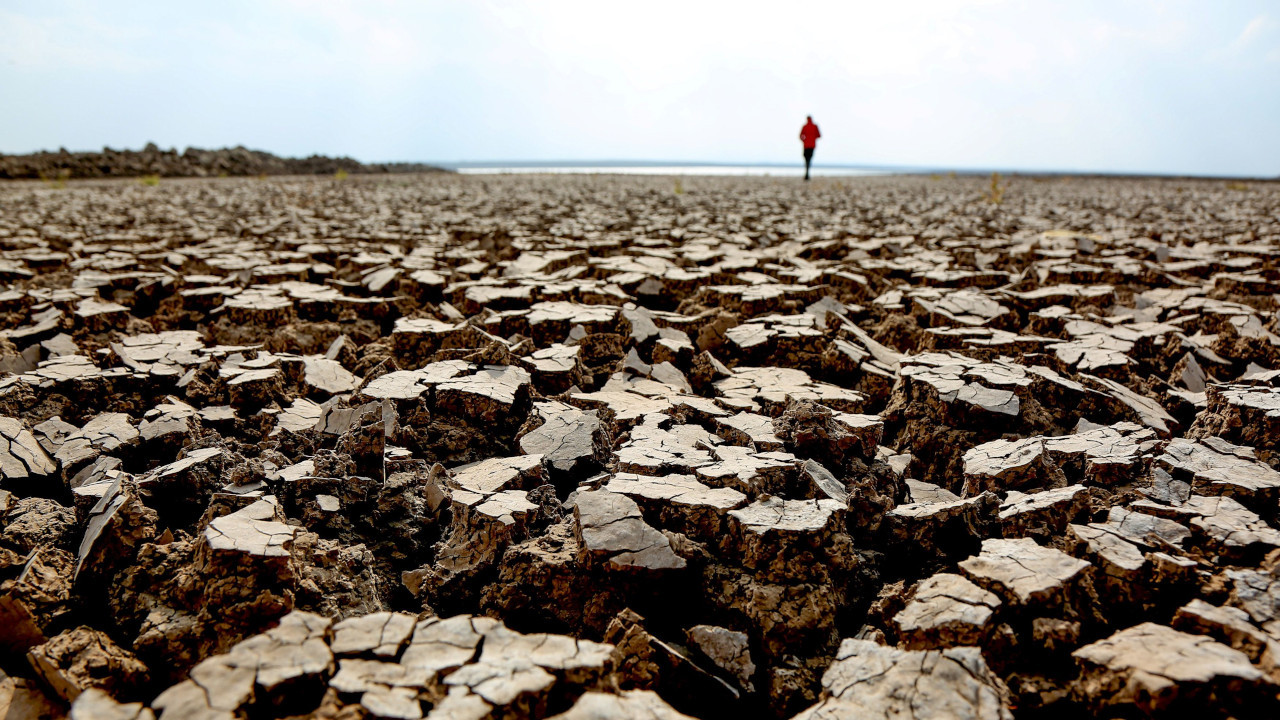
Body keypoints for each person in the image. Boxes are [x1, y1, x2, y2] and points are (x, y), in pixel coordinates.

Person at [799, 116, 820, 181]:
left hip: (806, 145)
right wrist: (813, 138)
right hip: (811, 145)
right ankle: (807, 173)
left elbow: (800, 136)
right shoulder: (814, 126)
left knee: (806, 159)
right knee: (809, 159)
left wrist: (805, 140)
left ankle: (807, 173)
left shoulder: (805, 126)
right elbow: (818, 135)